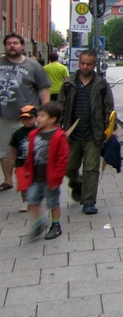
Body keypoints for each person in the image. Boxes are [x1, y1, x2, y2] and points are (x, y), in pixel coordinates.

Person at [58, 49, 114, 215]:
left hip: (93, 135)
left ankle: (89, 201)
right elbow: (60, 106)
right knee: (68, 168)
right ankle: (78, 184)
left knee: (91, 169)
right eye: (82, 63)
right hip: (72, 135)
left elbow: (109, 108)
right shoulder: (68, 84)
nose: (85, 67)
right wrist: (58, 126)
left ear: (94, 65)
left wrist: (110, 129)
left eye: (89, 64)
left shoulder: (101, 84)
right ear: (78, 63)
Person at [0, 32, 51, 191]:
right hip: (4, 115)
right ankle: (8, 180)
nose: (12, 46)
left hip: (28, 116)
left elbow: (44, 89)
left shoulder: (33, 66)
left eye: (15, 43)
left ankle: (32, 178)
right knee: (5, 149)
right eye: (9, 43)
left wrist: (45, 112)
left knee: (30, 150)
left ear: (22, 46)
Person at [15, 101, 69, 240]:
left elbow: (62, 159)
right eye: (38, 115)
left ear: (52, 119)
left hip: (50, 178)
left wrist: (57, 178)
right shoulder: (34, 134)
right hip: (35, 177)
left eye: (42, 116)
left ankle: (55, 225)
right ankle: (39, 223)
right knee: (31, 200)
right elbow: (30, 155)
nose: (38, 118)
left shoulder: (58, 136)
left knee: (53, 203)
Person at [10, 105, 38, 212]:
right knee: (23, 183)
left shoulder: (39, 131)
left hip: (36, 162)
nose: (27, 121)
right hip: (21, 162)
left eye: (30, 118)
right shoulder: (17, 133)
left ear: (36, 118)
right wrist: (14, 160)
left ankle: (35, 198)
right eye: (24, 118)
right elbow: (14, 147)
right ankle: (26, 201)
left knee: (35, 182)